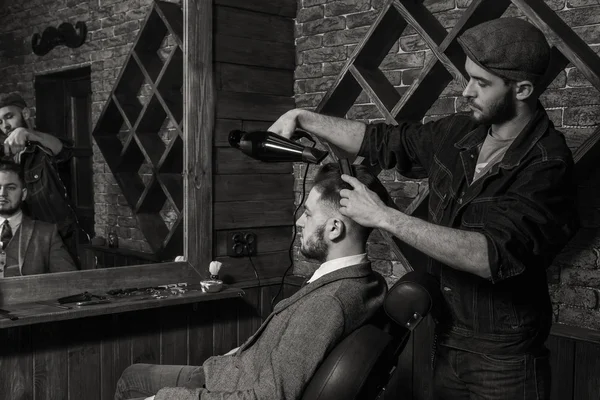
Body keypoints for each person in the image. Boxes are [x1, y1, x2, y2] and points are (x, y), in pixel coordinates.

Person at [268, 18, 577, 400]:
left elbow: (491, 255)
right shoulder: (461, 132)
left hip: (505, 359)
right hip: (446, 335)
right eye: (469, 78)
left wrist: (384, 216)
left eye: (481, 83)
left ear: (523, 89)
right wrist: (304, 117)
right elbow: (383, 141)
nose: (466, 92)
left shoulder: (547, 164)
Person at [114, 163, 389, 400]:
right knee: (133, 374)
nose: (299, 223)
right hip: (230, 373)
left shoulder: (328, 304)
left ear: (334, 228)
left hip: (231, 389)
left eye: (307, 213)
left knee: (131, 382)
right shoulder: (367, 281)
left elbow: (266, 397)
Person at [0, 91, 81, 265]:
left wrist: (30, 134)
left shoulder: (42, 149)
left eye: (9, 116)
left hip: (57, 236)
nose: (5, 125)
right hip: (19, 238)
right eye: (0, 122)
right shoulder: (4, 160)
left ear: (25, 114)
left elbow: (64, 150)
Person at [0, 160, 76, 277]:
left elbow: (69, 280)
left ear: (23, 194)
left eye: (11, 188)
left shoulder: (47, 234)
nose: (2, 193)